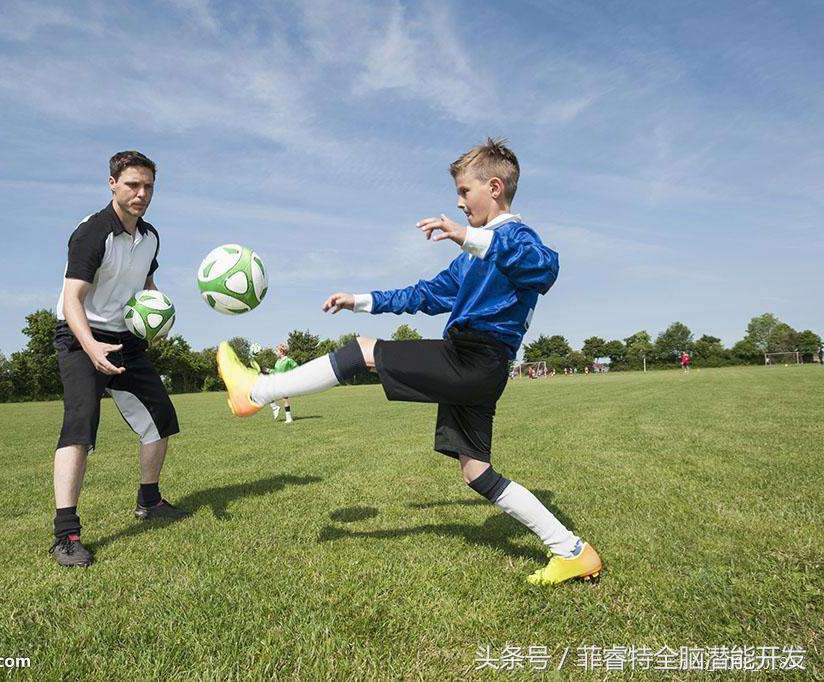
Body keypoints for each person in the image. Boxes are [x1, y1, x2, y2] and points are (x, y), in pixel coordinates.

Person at [217, 138, 602, 585]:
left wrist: (472, 238)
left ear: (494, 187)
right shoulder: (472, 255)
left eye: (464, 192)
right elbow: (424, 294)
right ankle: (572, 551)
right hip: (476, 366)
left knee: (363, 351)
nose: (458, 203)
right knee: (476, 473)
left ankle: (256, 392)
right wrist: (359, 299)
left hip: (475, 358)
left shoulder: (515, 237)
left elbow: (546, 268)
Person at [49, 151, 185, 568]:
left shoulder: (151, 236)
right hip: (80, 336)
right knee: (80, 425)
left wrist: (155, 317)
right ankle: (65, 534)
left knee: (160, 418)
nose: (141, 194)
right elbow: (73, 299)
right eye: (132, 185)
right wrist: (91, 347)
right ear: (112, 184)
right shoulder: (92, 232)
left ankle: (150, 500)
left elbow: (146, 284)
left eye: (148, 187)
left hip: (126, 338)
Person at [268, 344, 299, 424]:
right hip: (277, 381)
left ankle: (288, 418)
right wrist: (268, 370)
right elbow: (276, 371)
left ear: (281, 352)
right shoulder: (277, 362)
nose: (275, 353)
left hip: (285, 383)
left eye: (276, 351)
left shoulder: (288, 360)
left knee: (284, 399)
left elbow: (297, 368)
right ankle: (275, 407)